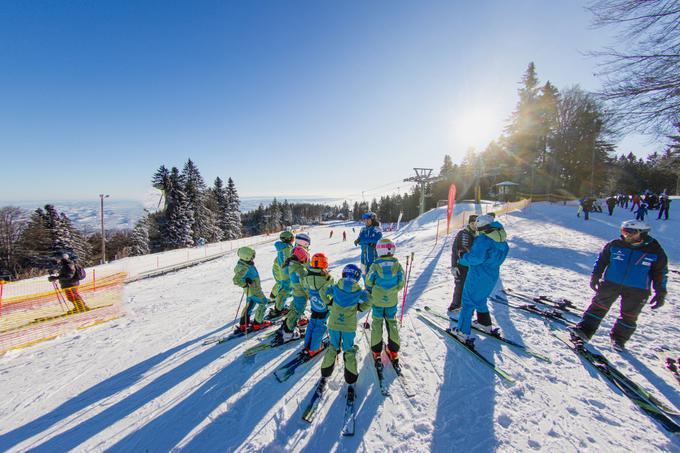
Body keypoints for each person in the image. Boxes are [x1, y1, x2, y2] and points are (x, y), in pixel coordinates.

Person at [570, 220, 667, 350]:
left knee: (629, 315)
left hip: (637, 289)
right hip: (611, 283)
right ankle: (584, 331)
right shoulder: (615, 244)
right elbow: (602, 260)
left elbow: (660, 273)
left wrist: (660, 293)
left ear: (642, 233)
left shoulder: (655, 251)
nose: (627, 235)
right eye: (624, 231)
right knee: (597, 307)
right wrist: (596, 276)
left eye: (631, 232)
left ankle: (619, 339)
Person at [449, 215, 509, 345]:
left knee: (468, 302)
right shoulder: (501, 239)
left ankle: (462, 332)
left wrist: (463, 257)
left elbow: (475, 258)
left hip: (478, 275)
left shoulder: (484, 239)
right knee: (481, 299)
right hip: (491, 276)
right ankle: (484, 323)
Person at [320, 264, 371, 388]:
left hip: (334, 324)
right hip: (348, 326)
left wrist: (329, 302)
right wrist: (360, 307)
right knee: (348, 349)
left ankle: (325, 373)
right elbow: (370, 300)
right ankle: (351, 378)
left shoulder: (336, 286)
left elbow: (322, 291)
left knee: (333, 346)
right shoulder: (358, 291)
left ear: (344, 273)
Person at [366, 238, 405, 365]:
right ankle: (393, 350)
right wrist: (393, 290)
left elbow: (368, 280)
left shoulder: (375, 265)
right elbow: (401, 282)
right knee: (391, 321)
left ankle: (376, 351)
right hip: (391, 301)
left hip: (377, 300)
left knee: (377, 322)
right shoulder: (397, 265)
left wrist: (371, 289)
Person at [299, 252, 334, 357]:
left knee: (312, 323)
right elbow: (331, 290)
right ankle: (314, 348)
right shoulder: (327, 277)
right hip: (324, 305)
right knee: (320, 325)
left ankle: (307, 344)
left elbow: (304, 286)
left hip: (314, 304)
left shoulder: (307, 275)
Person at [232, 247, 272, 332]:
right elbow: (236, 280)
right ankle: (258, 323)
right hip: (254, 290)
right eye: (252, 256)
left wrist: (245, 282)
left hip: (249, 290)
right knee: (263, 303)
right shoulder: (244, 268)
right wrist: (245, 283)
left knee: (250, 304)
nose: (253, 257)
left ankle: (244, 323)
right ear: (246, 256)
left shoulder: (244, 264)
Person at [280, 238, 312, 341]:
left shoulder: (291, 265)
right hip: (301, 294)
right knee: (297, 311)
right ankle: (288, 332)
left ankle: (287, 324)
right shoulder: (300, 270)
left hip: (296, 291)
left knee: (294, 308)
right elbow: (305, 285)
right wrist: (311, 295)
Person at [448, 214, 478, 312]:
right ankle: (455, 305)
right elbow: (455, 249)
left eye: (476, 223)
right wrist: (453, 265)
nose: (474, 225)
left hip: (473, 267)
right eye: (472, 223)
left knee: (470, 288)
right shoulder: (463, 234)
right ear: (469, 223)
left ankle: (467, 308)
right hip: (462, 266)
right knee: (460, 286)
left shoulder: (479, 235)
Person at [269, 231, 294, 318]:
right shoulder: (287, 249)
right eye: (292, 238)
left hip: (282, 272)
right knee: (285, 289)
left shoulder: (283, 248)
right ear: (289, 239)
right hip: (285, 273)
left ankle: (278, 307)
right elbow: (287, 262)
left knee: (284, 289)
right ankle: (278, 309)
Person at [354, 212, 383, 278]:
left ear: (372, 220)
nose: (365, 221)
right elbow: (360, 238)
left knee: (373, 274)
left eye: (367, 219)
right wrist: (358, 240)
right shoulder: (363, 229)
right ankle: (366, 287)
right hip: (363, 257)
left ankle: (373, 287)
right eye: (364, 219)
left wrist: (364, 241)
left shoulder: (377, 229)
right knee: (363, 273)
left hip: (373, 257)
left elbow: (377, 239)